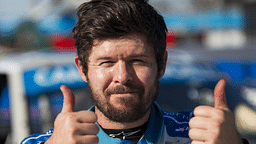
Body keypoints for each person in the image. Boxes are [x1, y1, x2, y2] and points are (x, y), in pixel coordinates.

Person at [21, 0, 248, 144]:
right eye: (106, 62)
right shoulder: (45, 142)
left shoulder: (203, 135)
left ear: (161, 64)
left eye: (137, 60)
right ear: (83, 68)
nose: (122, 76)